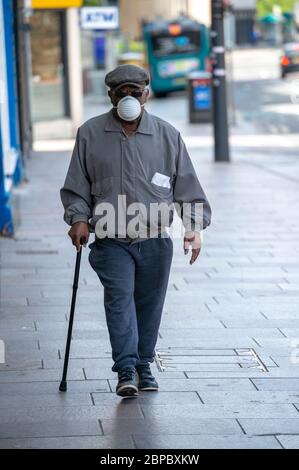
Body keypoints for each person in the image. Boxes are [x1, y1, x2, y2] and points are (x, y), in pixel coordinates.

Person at [60, 64, 211, 398]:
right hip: (111, 240)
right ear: (110, 96)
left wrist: (193, 228)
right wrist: (78, 218)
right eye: (121, 93)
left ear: (147, 94)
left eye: (135, 92)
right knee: (119, 299)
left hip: (155, 239)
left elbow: (187, 186)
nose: (128, 98)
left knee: (149, 304)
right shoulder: (90, 133)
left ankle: (144, 363)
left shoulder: (168, 135)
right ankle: (126, 367)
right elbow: (76, 186)